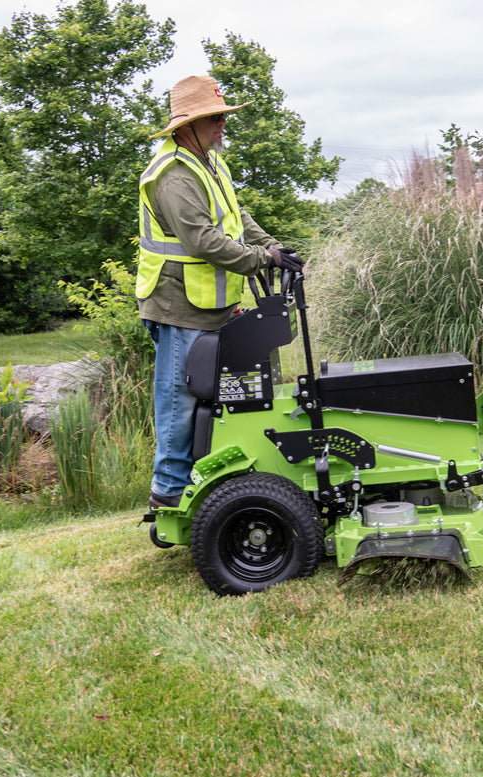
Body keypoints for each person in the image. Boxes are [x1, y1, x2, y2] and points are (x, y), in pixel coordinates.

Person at [137, 75, 304, 511]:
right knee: (182, 397)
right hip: (178, 304)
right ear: (185, 126)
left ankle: (208, 477)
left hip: (211, 302)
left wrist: (273, 247)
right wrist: (262, 261)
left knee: (218, 390)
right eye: (213, 119)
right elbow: (205, 243)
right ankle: (168, 488)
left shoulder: (210, 163)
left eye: (221, 117)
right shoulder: (173, 176)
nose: (221, 126)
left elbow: (236, 215)